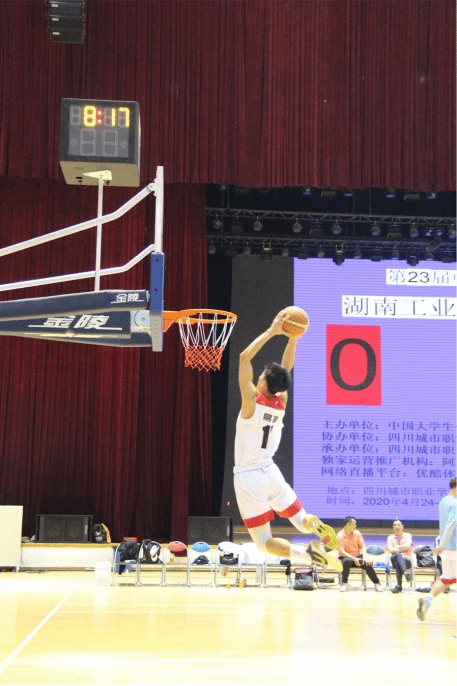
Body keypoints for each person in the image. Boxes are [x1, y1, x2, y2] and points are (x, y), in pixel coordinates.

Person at [233, 309, 342, 573]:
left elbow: (244, 357)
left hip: (248, 476)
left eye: (261, 375)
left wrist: (273, 331)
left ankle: (307, 555)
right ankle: (312, 525)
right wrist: (294, 337)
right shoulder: (281, 401)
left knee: (263, 542)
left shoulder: (251, 401)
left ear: (261, 383)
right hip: (271, 472)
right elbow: (286, 368)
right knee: (300, 519)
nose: (258, 375)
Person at [416, 476, 456, 621]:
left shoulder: (443, 501)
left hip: (446, 550)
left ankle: (428, 599)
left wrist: (442, 545)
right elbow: (451, 524)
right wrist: (443, 544)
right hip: (454, 547)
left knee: (446, 579)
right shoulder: (455, 503)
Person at [337, 516, 384, 591]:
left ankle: (377, 583)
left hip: (357, 556)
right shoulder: (340, 535)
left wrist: (365, 558)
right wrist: (354, 559)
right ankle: (344, 584)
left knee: (367, 563)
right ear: (348, 524)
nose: (356, 526)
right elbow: (342, 552)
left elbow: (363, 546)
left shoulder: (357, 533)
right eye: (354, 524)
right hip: (345, 557)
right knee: (347, 561)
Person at [385, 520, 416, 593]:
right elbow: (390, 549)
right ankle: (406, 573)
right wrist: (402, 548)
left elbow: (407, 546)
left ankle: (399, 586)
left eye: (398, 525)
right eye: (395, 525)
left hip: (406, 559)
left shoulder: (408, 535)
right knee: (398, 555)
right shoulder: (390, 537)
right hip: (394, 557)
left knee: (398, 563)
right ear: (393, 527)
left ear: (402, 526)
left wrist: (396, 548)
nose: (397, 527)